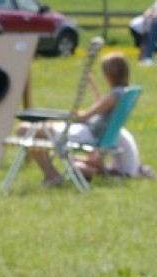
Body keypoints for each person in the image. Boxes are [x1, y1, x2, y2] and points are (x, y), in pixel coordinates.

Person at [20, 50, 132, 186]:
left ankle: (51, 175)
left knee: (25, 129)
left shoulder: (115, 94)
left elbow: (85, 117)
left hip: (87, 133)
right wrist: (93, 86)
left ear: (110, 74)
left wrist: (68, 116)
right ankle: (52, 174)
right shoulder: (124, 93)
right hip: (91, 131)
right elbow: (100, 109)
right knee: (37, 132)